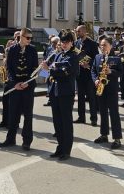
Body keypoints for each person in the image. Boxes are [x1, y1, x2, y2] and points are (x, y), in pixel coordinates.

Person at [0, 28, 39, 150]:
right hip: (15, 87)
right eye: (27, 38)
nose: (29, 40)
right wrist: (14, 83)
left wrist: (27, 82)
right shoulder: (12, 49)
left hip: (28, 87)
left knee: (28, 115)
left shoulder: (32, 50)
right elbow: (9, 69)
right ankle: (10, 139)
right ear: (21, 37)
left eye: (31, 38)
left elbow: (34, 68)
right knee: (13, 114)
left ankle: (27, 141)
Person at [45, 30, 79, 160]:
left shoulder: (73, 56)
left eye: (66, 42)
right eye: (62, 42)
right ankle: (60, 147)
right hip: (55, 92)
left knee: (66, 122)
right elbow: (53, 70)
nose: (64, 44)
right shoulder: (59, 55)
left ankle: (66, 150)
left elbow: (66, 72)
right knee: (57, 122)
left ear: (71, 43)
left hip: (66, 93)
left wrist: (51, 70)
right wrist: (46, 70)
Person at [92, 37, 123, 149]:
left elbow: (121, 73)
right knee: (103, 112)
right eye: (101, 45)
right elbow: (93, 70)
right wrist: (95, 79)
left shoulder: (116, 58)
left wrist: (111, 71)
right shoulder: (97, 57)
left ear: (110, 45)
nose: (102, 47)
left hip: (112, 89)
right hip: (101, 87)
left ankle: (117, 138)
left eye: (104, 45)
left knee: (114, 113)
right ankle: (104, 134)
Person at [74, 25, 98, 126]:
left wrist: (88, 64)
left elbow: (96, 58)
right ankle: (81, 117)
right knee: (80, 97)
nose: (77, 33)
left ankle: (93, 118)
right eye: (76, 31)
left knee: (91, 97)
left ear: (84, 31)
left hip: (89, 74)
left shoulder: (92, 43)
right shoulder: (76, 43)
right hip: (79, 74)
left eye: (78, 31)